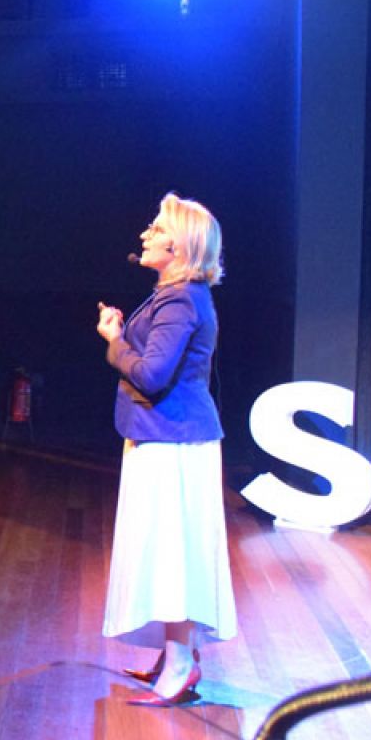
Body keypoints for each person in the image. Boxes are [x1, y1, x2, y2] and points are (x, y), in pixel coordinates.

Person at [97, 193, 237, 706]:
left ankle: (179, 664)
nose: (145, 235)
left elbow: (153, 374)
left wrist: (114, 342)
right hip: (169, 436)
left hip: (173, 440)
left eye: (156, 229)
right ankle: (177, 656)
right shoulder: (178, 294)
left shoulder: (180, 299)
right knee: (170, 549)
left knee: (172, 553)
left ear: (178, 245)